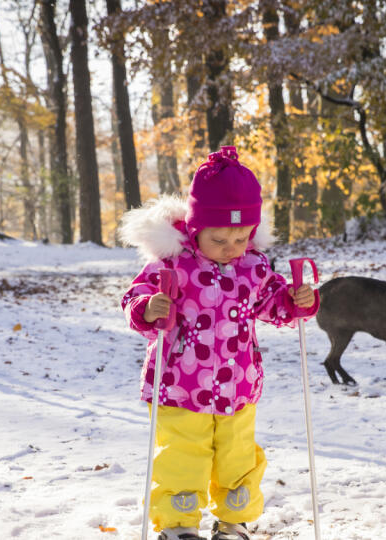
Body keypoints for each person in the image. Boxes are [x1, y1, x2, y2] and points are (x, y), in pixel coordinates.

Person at [120, 146, 318, 540]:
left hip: (238, 385)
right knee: (182, 457)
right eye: (220, 238)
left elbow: (272, 303)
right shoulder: (172, 264)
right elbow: (134, 298)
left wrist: (295, 301)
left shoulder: (254, 266)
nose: (232, 247)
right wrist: (149, 307)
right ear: (196, 229)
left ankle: (233, 521)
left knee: (237, 459)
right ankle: (178, 525)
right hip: (178, 385)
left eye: (242, 237)